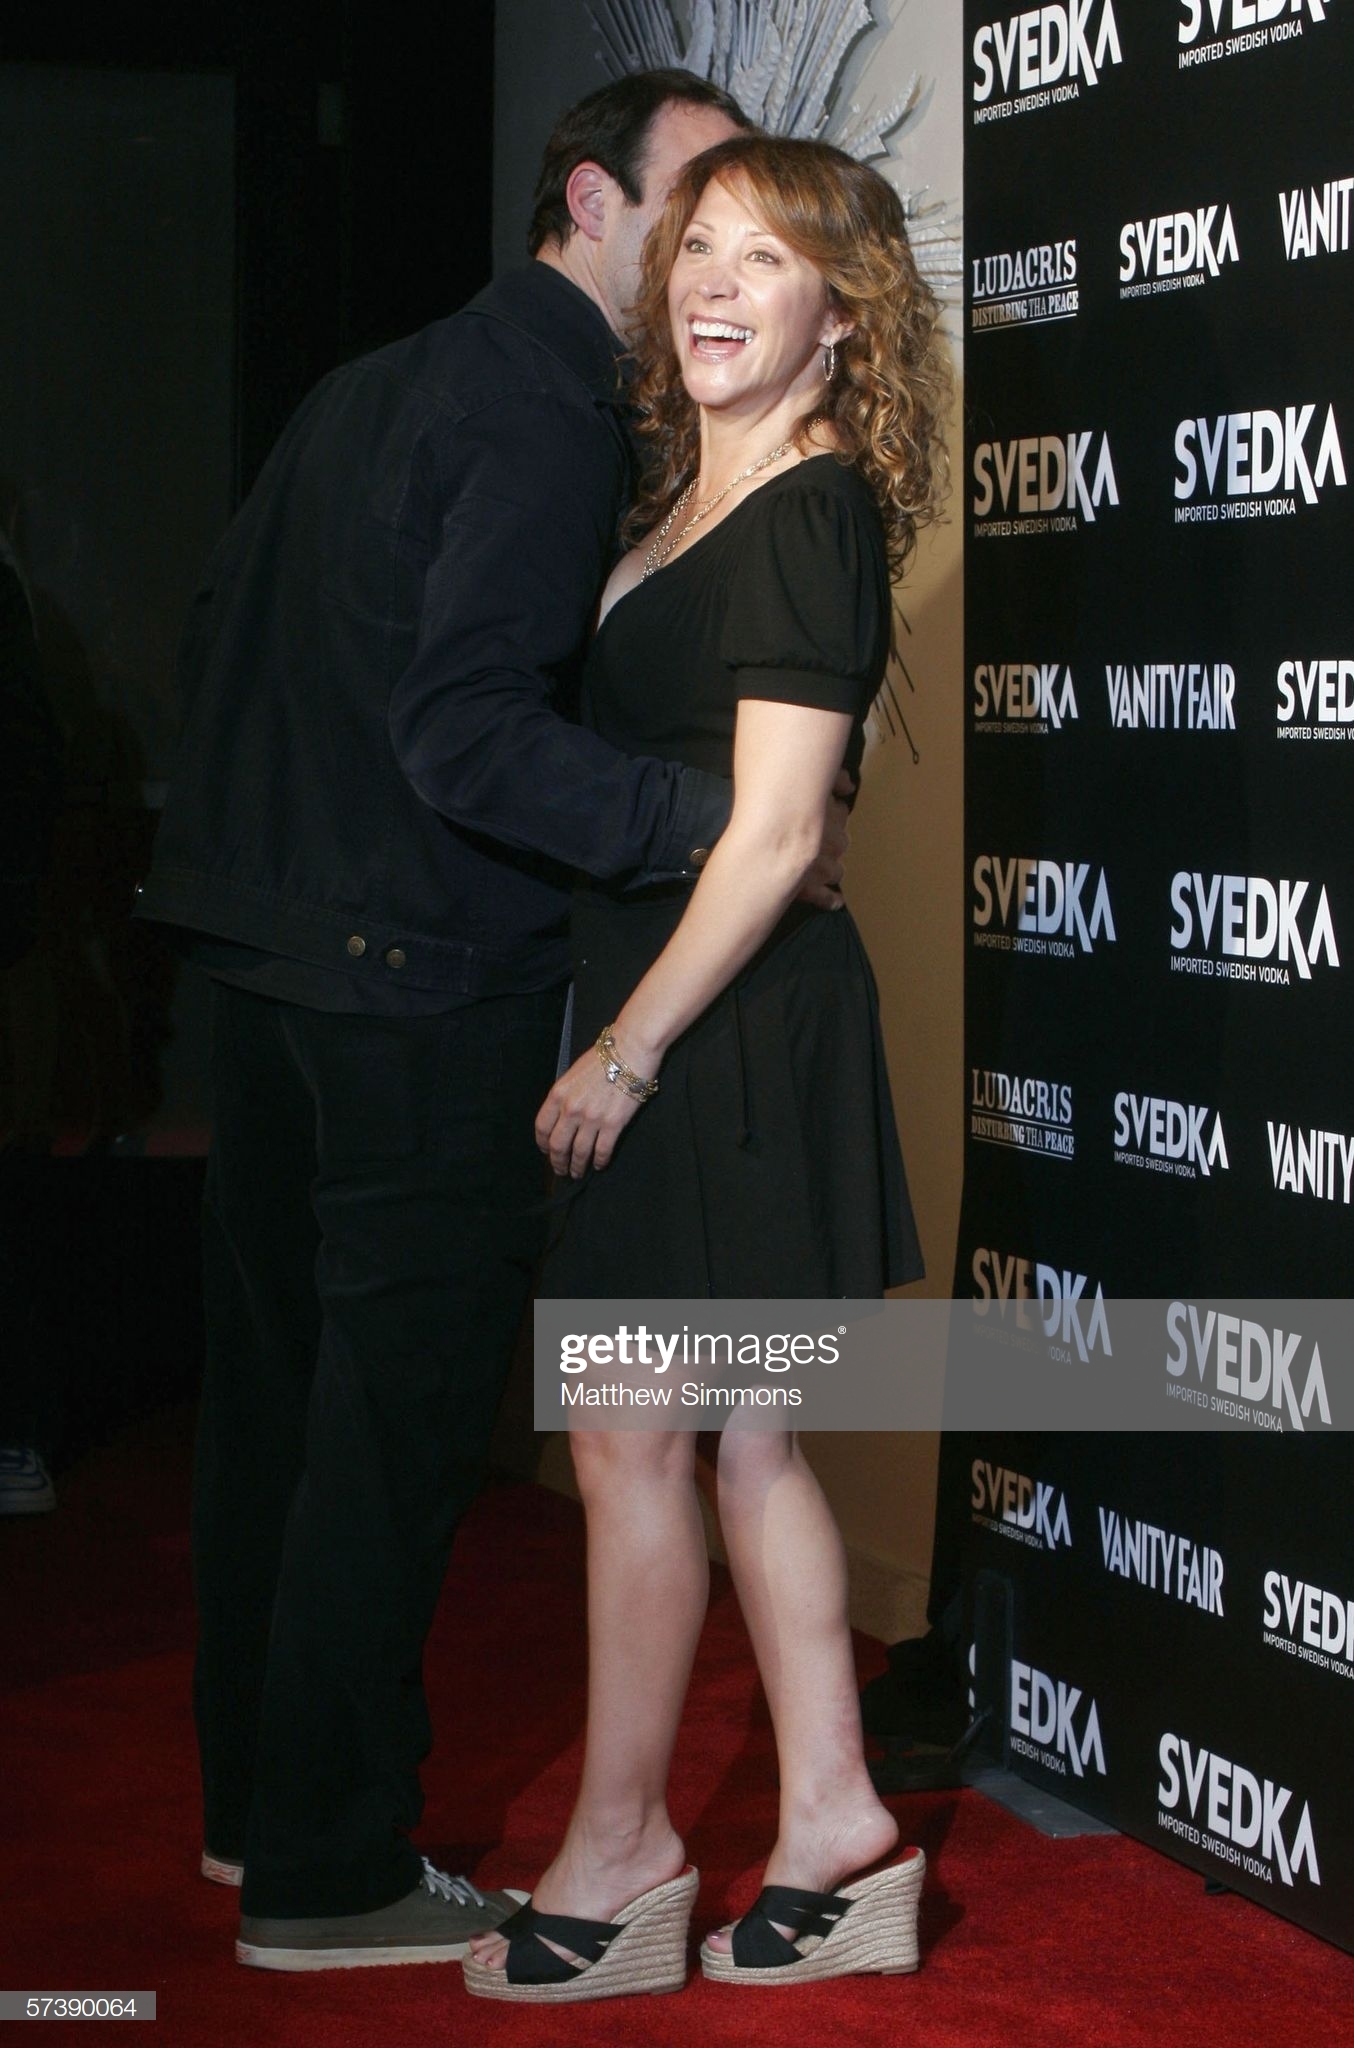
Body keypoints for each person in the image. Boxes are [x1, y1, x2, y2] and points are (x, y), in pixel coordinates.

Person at [130, 70, 858, 1972]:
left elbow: (219, 637)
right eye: (689, 208)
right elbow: (463, 734)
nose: (703, 259)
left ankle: (257, 1817)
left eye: (751, 232)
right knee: (380, 1439)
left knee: (276, 1421)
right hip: (415, 992)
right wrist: (711, 822)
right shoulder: (542, 409)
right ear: (590, 203)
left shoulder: (368, 384)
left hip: (266, 976)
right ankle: (327, 1870)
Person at [464, 133, 950, 2002]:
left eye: (762, 257)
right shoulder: (689, 494)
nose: (711, 286)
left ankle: (621, 1852)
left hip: (717, 1030)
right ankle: (832, 1826)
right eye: (696, 249)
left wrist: (625, 1052)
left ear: (843, 313)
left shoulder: (808, 509)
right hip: (701, 1008)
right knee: (739, 1438)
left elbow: (777, 835)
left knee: (634, 1435)